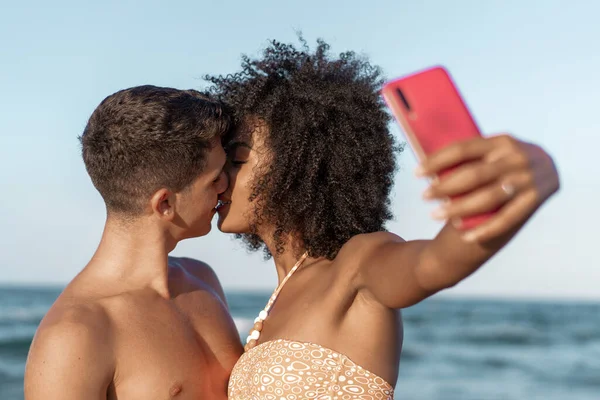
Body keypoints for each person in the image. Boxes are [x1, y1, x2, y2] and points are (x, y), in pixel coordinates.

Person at [206, 38, 560, 399]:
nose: (219, 178)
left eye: (236, 161)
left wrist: (526, 178)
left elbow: (434, 262)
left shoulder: (359, 260)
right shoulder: (282, 292)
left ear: (301, 168)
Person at [24, 86, 243, 400]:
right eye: (215, 178)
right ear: (164, 203)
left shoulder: (203, 279)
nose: (226, 186)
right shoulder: (74, 335)